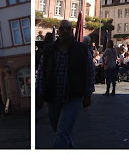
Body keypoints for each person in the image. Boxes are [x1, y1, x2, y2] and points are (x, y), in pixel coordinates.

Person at [36, 19, 95, 148]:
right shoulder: (49, 50)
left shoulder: (82, 49)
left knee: (62, 132)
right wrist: (39, 94)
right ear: (58, 32)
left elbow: (90, 71)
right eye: (62, 29)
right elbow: (42, 73)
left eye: (68, 28)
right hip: (52, 96)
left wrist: (88, 94)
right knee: (61, 131)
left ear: (72, 31)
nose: (65, 31)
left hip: (73, 96)